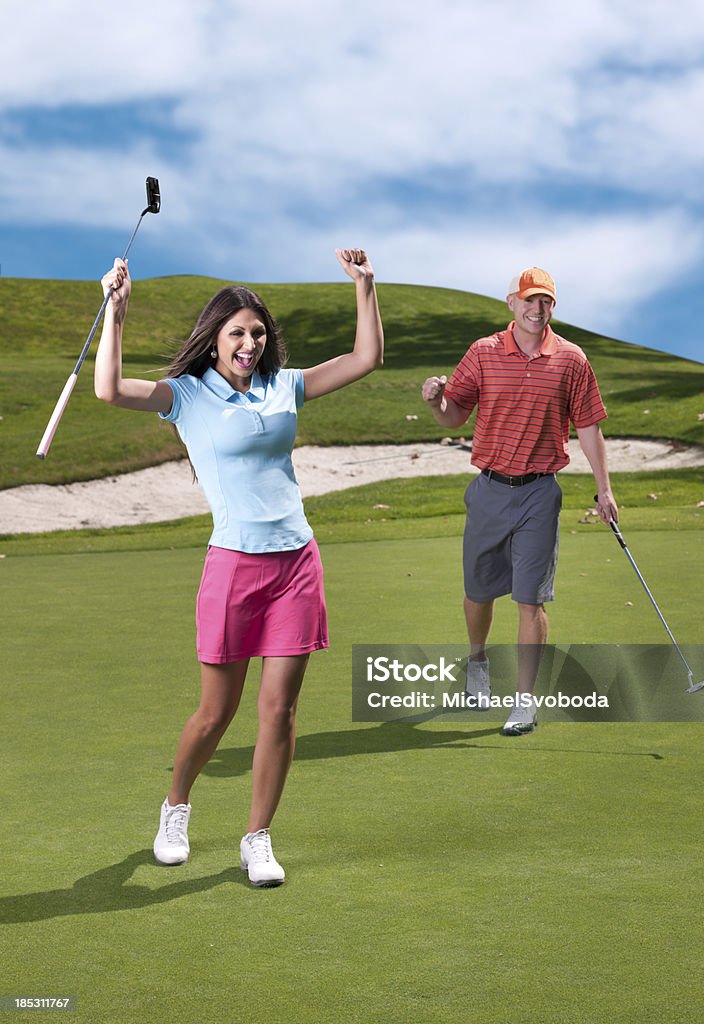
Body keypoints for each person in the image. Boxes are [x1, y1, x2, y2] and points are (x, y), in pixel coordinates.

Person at [95, 249, 383, 886]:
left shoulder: (286, 386)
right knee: (215, 713)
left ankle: (257, 838)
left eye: (257, 332)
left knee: (278, 712)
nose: (248, 343)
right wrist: (116, 315)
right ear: (215, 338)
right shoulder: (188, 395)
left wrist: (366, 288)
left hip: (296, 565)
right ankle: (176, 807)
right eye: (236, 333)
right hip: (233, 567)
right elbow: (111, 390)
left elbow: (365, 360)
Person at [421, 267, 617, 736]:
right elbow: (453, 416)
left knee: (530, 599)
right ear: (512, 303)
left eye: (545, 301)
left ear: (553, 307)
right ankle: (478, 663)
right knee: (478, 592)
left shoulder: (571, 359)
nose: (537, 309)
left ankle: (525, 702)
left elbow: (589, 426)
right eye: (529, 300)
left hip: (539, 492)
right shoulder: (484, 353)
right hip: (489, 489)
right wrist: (434, 401)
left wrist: (604, 487)